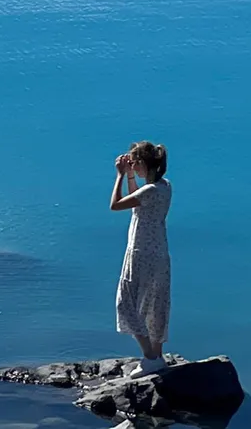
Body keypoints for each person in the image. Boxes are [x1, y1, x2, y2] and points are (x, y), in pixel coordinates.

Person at [111, 140, 171, 375]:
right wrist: (130, 177)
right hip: (159, 253)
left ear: (145, 164)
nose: (132, 166)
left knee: (126, 303)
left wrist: (119, 176)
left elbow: (115, 205)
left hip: (140, 252)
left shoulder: (150, 191)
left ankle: (149, 356)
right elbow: (138, 198)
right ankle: (157, 356)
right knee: (156, 304)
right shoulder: (165, 187)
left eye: (135, 163)